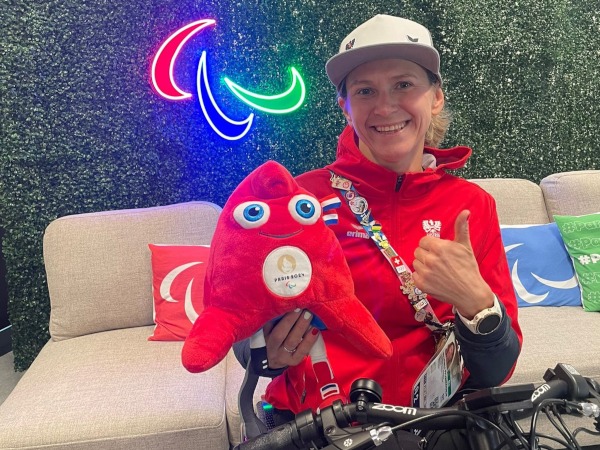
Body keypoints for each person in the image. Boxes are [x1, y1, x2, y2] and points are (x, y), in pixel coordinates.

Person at [234, 14, 522, 449]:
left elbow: (497, 369)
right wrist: (267, 353)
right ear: (345, 106)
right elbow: (243, 330)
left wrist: (477, 304)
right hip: (327, 426)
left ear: (436, 97)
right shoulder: (299, 202)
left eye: (403, 84)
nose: (385, 107)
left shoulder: (471, 206)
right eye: (365, 91)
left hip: (440, 424)